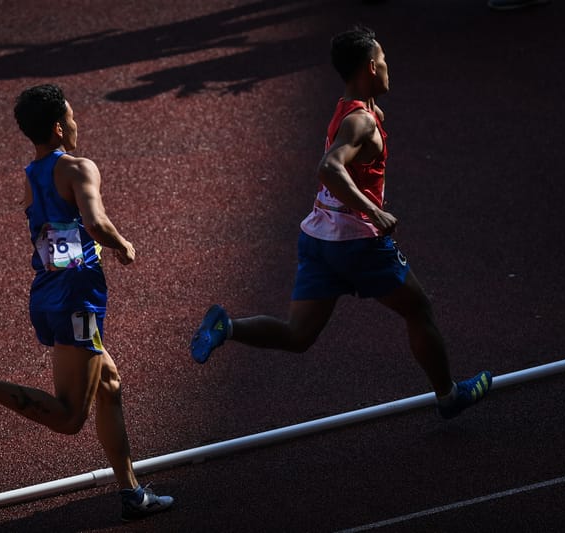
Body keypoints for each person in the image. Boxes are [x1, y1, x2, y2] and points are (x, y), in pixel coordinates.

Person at [190, 27, 492, 420]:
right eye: (383, 62)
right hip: (357, 244)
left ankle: (228, 327)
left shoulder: (351, 110)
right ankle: (449, 396)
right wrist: (375, 211)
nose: (388, 68)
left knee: (298, 335)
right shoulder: (361, 122)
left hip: (317, 237)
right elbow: (329, 167)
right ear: (370, 66)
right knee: (418, 309)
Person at [0, 84, 173, 522]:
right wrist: (122, 245)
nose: (77, 124)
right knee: (70, 417)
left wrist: (70, 254)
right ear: (59, 127)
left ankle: (132, 493)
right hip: (77, 295)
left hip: (48, 293)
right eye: (73, 118)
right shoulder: (78, 168)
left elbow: (44, 234)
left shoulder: (30, 176)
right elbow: (95, 223)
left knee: (109, 385)